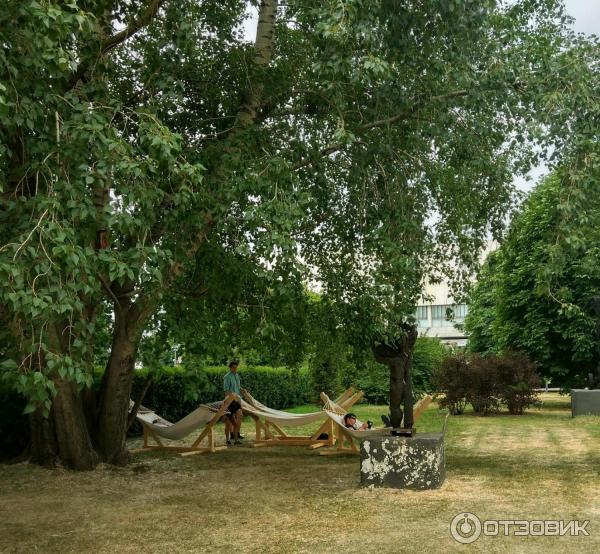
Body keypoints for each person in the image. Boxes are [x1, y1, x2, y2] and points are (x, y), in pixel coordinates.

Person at [223, 360, 244, 444]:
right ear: (230, 368)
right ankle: (230, 437)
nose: (235, 369)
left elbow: (238, 387)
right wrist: (229, 400)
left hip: (237, 399)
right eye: (233, 368)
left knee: (240, 415)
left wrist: (243, 390)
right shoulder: (227, 377)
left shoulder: (237, 375)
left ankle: (236, 434)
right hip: (230, 400)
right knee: (230, 420)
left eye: (236, 368)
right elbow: (226, 391)